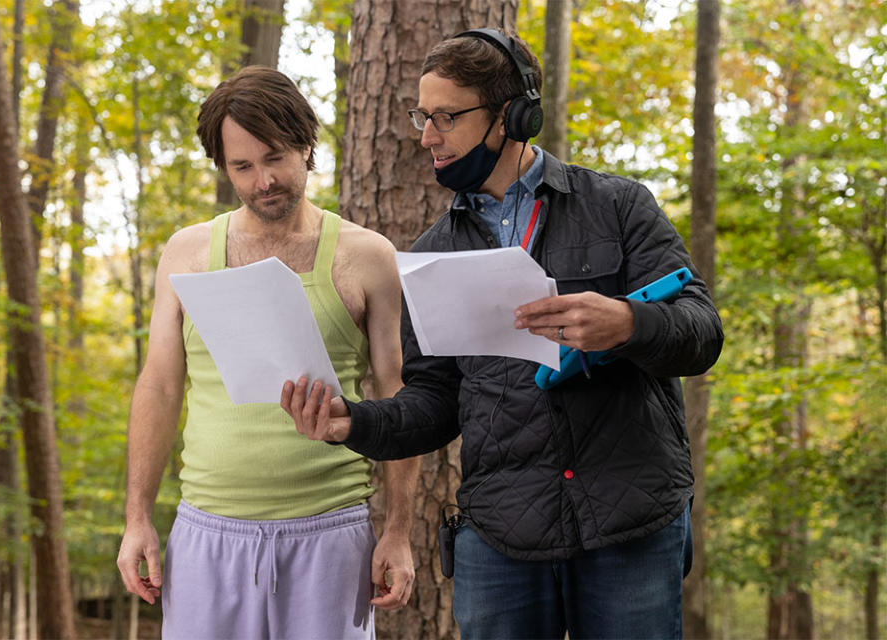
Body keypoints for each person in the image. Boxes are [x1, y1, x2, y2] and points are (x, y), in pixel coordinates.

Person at [282, 28, 724, 639]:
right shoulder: (433, 253)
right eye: (421, 116)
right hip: (501, 539)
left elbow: (702, 334)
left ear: (512, 118)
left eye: (445, 117)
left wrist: (628, 323)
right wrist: (354, 423)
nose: (426, 136)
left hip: (632, 523)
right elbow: (433, 403)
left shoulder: (619, 206)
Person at [116, 65, 420, 640]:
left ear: (307, 146)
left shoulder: (367, 256)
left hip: (331, 535)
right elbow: (158, 384)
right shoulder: (186, 254)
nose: (263, 181)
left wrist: (399, 530)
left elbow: (398, 393)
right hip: (206, 534)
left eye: (275, 157)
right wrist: (137, 521)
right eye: (243, 166)